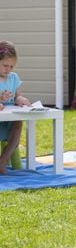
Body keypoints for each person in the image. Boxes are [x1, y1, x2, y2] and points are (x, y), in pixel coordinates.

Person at [0, 41, 30, 174]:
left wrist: (20, 100)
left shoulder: (13, 78)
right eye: (5, 65)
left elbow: (17, 95)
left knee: (19, 122)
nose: (8, 69)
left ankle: (3, 161)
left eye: (12, 66)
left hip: (9, 121)